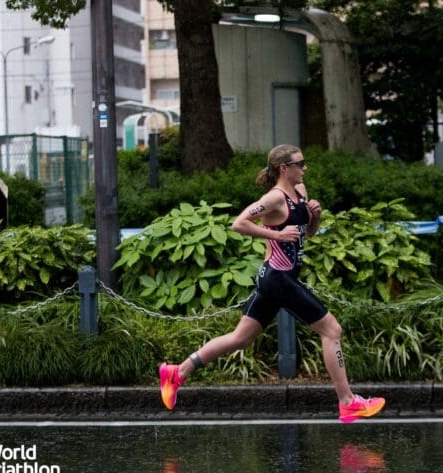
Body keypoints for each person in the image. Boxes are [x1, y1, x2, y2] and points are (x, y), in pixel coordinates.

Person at [159, 144, 385, 423]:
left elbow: (306, 235)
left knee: (241, 339)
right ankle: (348, 401)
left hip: (281, 279)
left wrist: (316, 217)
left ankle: (176, 372)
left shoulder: (300, 192)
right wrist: (275, 235)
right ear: (284, 168)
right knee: (332, 329)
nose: (305, 168)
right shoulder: (274, 198)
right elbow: (238, 223)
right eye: (300, 164)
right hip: (277, 278)